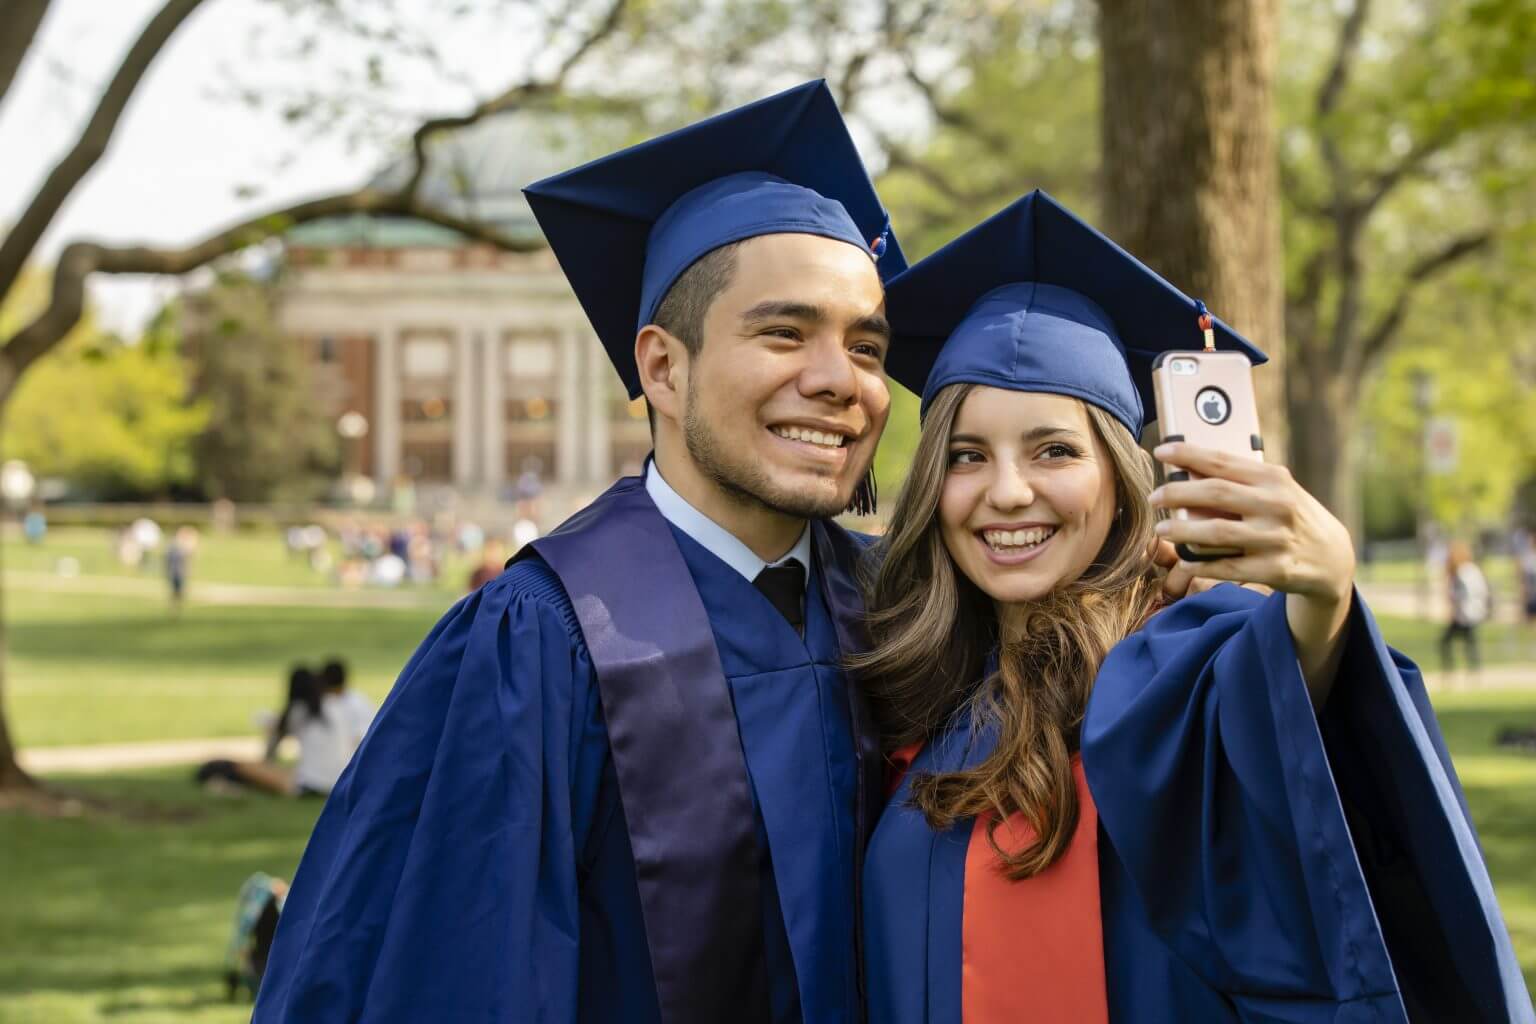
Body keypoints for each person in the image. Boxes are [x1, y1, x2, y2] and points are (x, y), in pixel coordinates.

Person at [254, 80, 908, 1024]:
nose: (836, 380)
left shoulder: (905, 615)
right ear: (662, 368)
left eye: (867, 347)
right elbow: (455, 972)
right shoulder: (541, 641)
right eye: (784, 333)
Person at [858, 193, 1533, 1022]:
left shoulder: (1177, 676)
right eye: (967, 455)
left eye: (1055, 450)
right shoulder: (906, 689)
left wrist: (1322, 600)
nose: (1007, 491)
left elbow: (1280, 710)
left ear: (1120, 481)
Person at [198, 666, 355, 797]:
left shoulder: (298, 712)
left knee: (239, 768)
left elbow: (270, 752)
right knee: (280, 772)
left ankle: (217, 776)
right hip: (340, 781)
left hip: (310, 785)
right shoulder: (335, 707)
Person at [1440, 540, 1491, 684]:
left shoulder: (1463, 573)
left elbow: (1461, 595)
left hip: (1465, 614)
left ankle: (1453, 672)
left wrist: (1457, 611)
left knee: (1448, 641)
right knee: (1470, 642)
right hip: (1473, 612)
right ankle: (1473, 671)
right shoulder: (1471, 570)